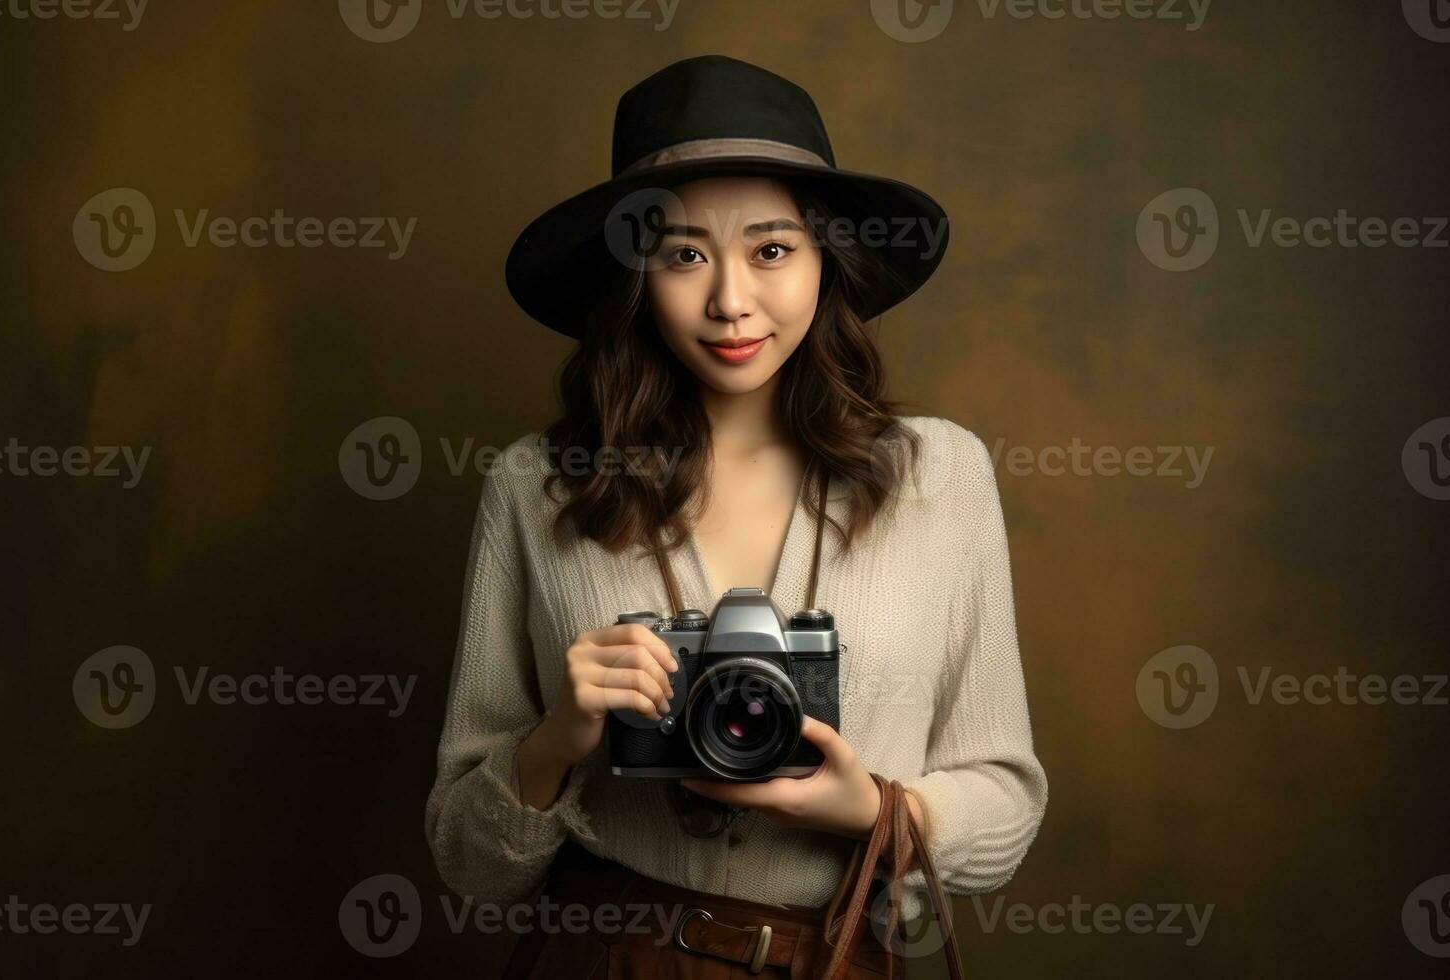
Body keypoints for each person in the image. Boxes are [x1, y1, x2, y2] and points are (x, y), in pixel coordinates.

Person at [425, 54, 1047, 978]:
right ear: (636, 274)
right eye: (683, 255)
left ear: (824, 257)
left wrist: (871, 811)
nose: (729, 301)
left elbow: (1008, 800)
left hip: (834, 958)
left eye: (770, 250)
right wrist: (557, 737)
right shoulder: (537, 484)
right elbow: (468, 865)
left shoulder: (941, 476)